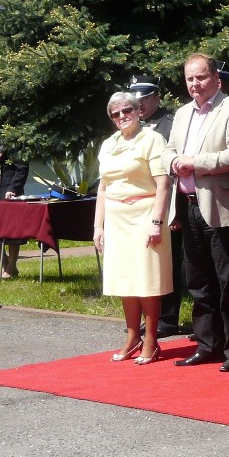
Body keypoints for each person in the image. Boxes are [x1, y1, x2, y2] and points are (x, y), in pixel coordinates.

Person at [162, 53, 229, 372]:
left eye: (200, 77)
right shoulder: (183, 113)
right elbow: (168, 152)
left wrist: (194, 163)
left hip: (220, 205)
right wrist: (172, 162)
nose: (195, 84)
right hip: (187, 206)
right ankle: (207, 344)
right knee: (199, 281)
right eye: (189, 79)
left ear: (216, 78)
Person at [94, 91, 173, 365]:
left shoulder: (152, 139)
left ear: (139, 110)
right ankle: (132, 336)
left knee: (146, 278)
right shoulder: (108, 144)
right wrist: (98, 226)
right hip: (116, 218)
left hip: (144, 215)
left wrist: (156, 220)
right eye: (115, 113)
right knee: (124, 278)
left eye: (126, 110)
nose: (121, 116)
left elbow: (163, 183)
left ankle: (151, 338)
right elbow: (103, 187)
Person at [129, 74, 183, 338]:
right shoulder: (132, 127)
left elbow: (172, 173)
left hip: (166, 202)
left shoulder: (169, 125)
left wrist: (173, 211)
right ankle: (148, 314)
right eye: (136, 100)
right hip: (138, 207)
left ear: (157, 98)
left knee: (169, 262)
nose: (140, 105)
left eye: (145, 99)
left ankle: (168, 317)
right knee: (145, 260)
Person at [0, 141, 29, 278]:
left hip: (9, 191)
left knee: (12, 231)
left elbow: (22, 168)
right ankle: (5, 264)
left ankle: (11, 267)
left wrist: (13, 188)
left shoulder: (16, 140)